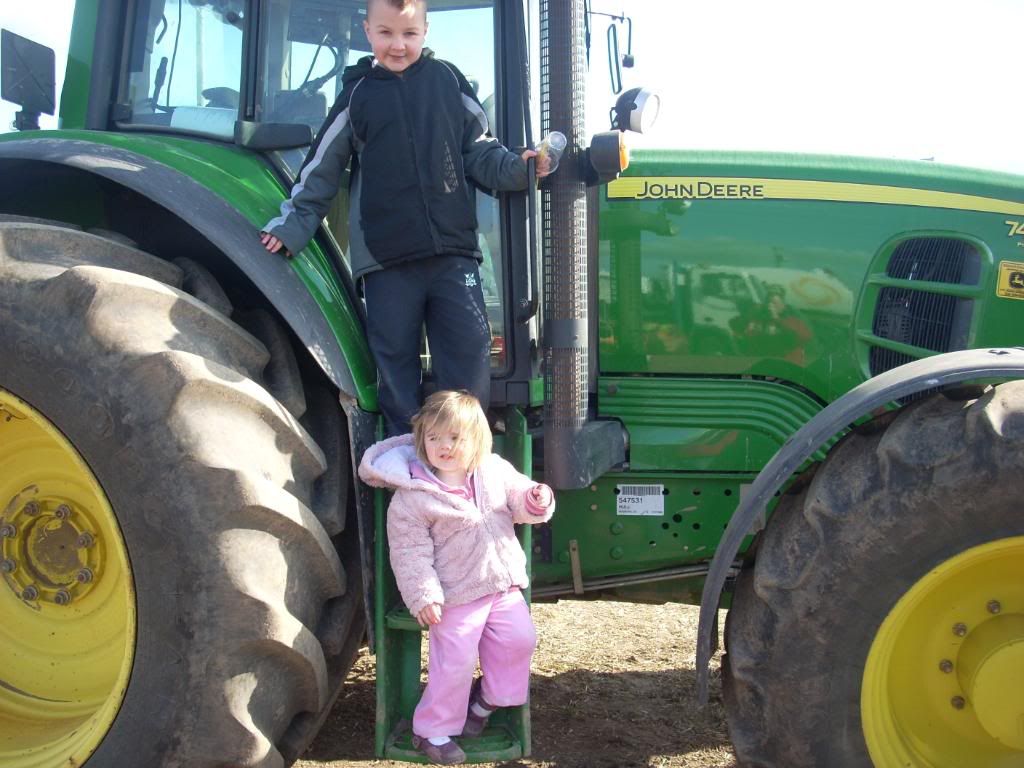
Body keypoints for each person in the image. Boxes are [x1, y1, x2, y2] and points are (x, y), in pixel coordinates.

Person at [260, 0, 551, 436]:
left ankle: (464, 460)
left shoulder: (447, 83)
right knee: (395, 362)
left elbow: (481, 150)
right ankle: (403, 462)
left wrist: (519, 167)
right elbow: (319, 172)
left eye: (409, 35)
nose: (397, 46)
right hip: (386, 262)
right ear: (367, 31)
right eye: (386, 33)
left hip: (452, 253)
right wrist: (291, 227)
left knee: (467, 351)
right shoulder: (357, 97)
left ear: (426, 31)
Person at [358, 390, 554, 765]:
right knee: (454, 662)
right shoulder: (413, 497)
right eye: (433, 438)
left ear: (476, 440)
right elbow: (410, 553)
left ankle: (487, 700)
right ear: (421, 441)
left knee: (520, 641)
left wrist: (536, 499)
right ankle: (432, 729)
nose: (443, 446)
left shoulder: (494, 471)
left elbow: (520, 499)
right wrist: (424, 595)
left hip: (501, 584)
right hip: (456, 594)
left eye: (454, 437)